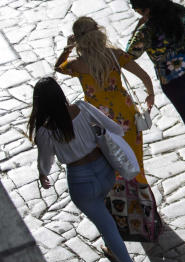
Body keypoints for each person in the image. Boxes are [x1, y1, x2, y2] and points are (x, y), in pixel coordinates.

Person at [30, 77, 140, 262]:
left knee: (105, 223)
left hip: (81, 182)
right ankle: (112, 248)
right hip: (105, 171)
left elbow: (45, 159)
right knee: (104, 218)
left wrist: (43, 173)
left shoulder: (45, 131)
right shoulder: (82, 107)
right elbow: (114, 128)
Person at [55, 17, 155, 183]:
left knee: (112, 162)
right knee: (134, 160)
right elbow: (144, 76)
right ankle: (142, 196)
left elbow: (58, 67)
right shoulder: (115, 55)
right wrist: (150, 94)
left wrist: (68, 48)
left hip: (97, 120)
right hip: (126, 114)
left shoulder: (77, 65)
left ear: (78, 40)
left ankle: (120, 200)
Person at [127, 0, 185, 161]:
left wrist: (138, 25)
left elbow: (131, 53)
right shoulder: (174, 10)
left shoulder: (147, 30)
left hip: (173, 78)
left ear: (145, 10)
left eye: (138, 12)